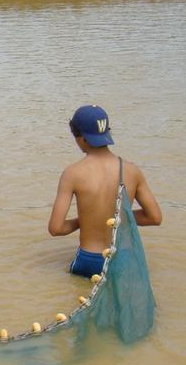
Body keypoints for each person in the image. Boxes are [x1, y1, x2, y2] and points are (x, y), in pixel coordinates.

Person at [48, 105, 162, 277]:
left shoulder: (72, 174)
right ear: (106, 132)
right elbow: (155, 218)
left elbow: (56, 228)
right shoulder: (132, 170)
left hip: (88, 260)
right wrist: (121, 217)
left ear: (82, 138)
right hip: (121, 257)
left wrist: (86, 220)